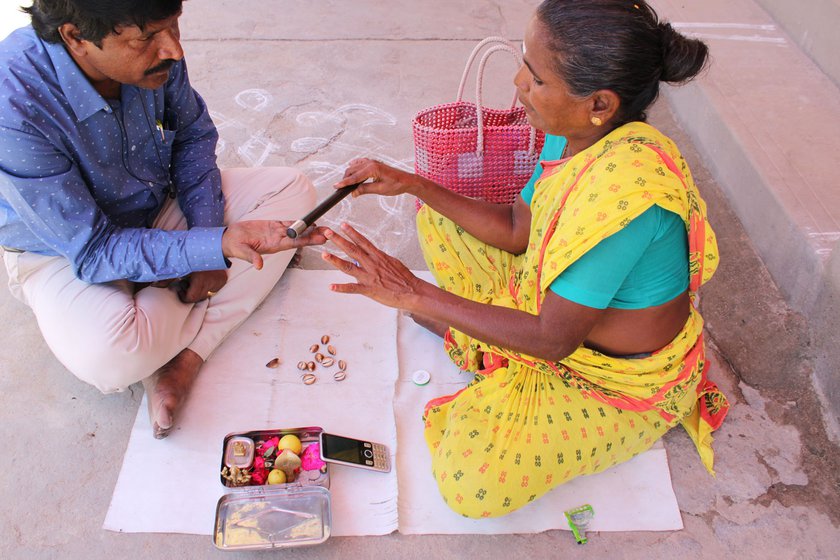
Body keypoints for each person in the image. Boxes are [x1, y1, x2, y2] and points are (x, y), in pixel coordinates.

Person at [323, 0, 729, 518]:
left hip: (605, 375)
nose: (518, 83)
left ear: (599, 104)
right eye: (524, 62)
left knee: (473, 484)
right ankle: (477, 339)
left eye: (536, 78)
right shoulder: (573, 132)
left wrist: (415, 293)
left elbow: (553, 340)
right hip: (551, 311)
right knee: (436, 219)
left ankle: (482, 348)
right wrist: (412, 183)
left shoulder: (626, 202)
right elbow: (517, 231)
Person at [0, 0, 327, 439]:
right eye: (147, 38)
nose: (173, 49)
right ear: (76, 37)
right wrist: (211, 248)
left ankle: (186, 357)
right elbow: (94, 249)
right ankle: (170, 310)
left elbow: (192, 135)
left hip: (154, 209)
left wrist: (209, 237)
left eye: (173, 26)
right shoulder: (13, 102)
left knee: (294, 194)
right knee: (112, 356)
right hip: (63, 250)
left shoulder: (160, 55)